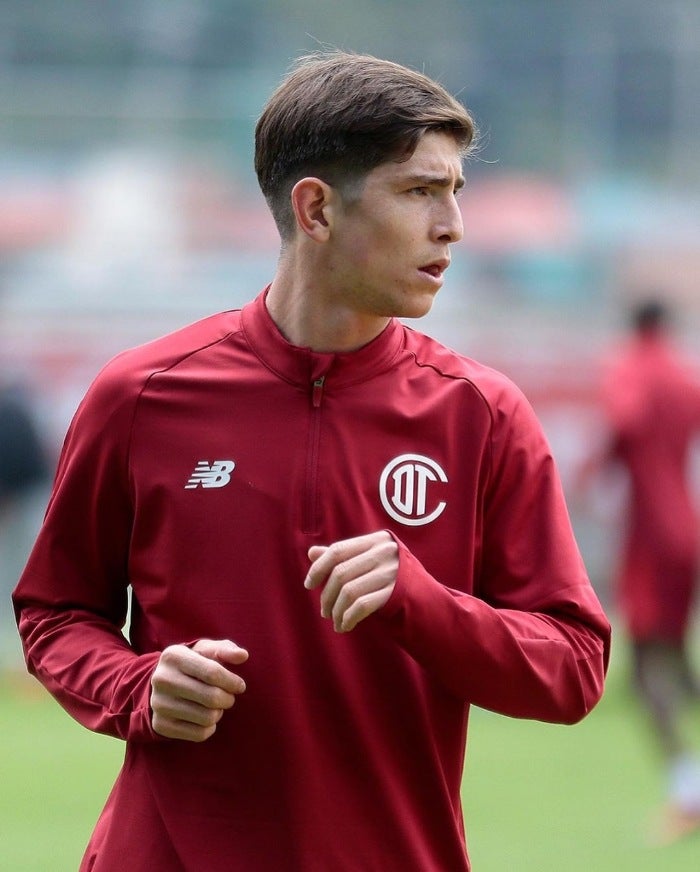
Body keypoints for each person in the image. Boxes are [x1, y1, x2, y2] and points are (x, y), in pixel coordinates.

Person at [12, 51, 610, 871]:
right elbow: (55, 611)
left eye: (455, 192)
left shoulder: (481, 413)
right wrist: (135, 687)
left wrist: (423, 605)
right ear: (317, 209)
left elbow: (573, 669)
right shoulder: (142, 394)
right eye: (419, 191)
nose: (453, 226)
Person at [598, 297, 700, 843]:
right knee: (678, 664)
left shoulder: (631, 367)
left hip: (650, 535)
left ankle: (688, 794)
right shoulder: (685, 375)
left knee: (644, 673)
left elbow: (626, 419)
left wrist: (598, 468)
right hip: (688, 523)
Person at [0, 381, 51, 673]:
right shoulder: (13, 408)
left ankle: (27, 662)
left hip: (25, 504)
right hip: (16, 506)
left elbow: (21, 463)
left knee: (24, 583)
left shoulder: (10, 413)